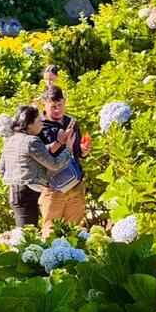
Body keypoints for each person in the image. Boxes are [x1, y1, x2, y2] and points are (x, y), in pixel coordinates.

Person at [0, 105, 75, 228]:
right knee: (26, 236)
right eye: (38, 121)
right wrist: (68, 148)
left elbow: (1, 169)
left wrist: (59, 142)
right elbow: (54, 164)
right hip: (27, 193)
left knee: (25, 233)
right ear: (28, 124)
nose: (41, 124)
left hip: (16, 192)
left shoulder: (11, 140)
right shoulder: (32, 141)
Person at [38, 86, 92, 238]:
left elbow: (78, 153)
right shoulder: (39, 126)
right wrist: (59, 142)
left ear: (65, 102)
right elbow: (39, 156)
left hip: (76, 184)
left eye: (60, 105)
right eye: (53, 106)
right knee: (50, 233)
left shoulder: (72, 122)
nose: (57, 110)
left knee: (73, 233)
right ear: (44, 105)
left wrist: (83, 150)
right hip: (53, 187)